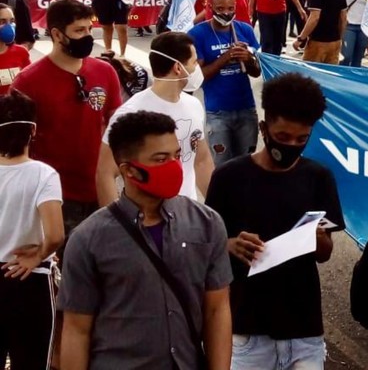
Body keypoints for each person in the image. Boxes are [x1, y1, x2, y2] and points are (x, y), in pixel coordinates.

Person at [58, 111, 233, 370]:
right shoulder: (88, 239)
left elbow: (217, 311)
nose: (174, 165)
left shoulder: (206, 224)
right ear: (129, 170)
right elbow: (76, 330)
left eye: (176, 155)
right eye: (161, 159)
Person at [205, 73, 343, 370]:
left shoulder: (319, 177)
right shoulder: (229, 177)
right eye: (283, 137)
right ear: (263, 129)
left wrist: (319, 239)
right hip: (245, 329)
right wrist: (229, 244)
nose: (292, 145)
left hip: (304, 329)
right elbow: (206, 247)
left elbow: (325, 253)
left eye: (301, 139)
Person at [12, 0, 122, 240]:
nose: (87, 37)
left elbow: (117, 125)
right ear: (57, 34)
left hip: (101, 187)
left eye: (89, 30)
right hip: (55, 194)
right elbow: (17, 146)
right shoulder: (28, 81)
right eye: (79, 31)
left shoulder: (105, 72)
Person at [95, 32, 213, 206]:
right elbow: (105, 173)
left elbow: (201, 161)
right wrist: (118, 226)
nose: (198, 69)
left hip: (186, 214)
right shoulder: (131, 113)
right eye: (194, 62)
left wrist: (219, 208)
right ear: (178, 68)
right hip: (146, 219)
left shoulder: (193, 105)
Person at [0, 90, 65, 370]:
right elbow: (54, 235)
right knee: (32, 361)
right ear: (33, 131)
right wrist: (37, 255)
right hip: (29, 279)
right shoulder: (43, 174)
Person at [189, 0, 261, 168]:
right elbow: (198, 78)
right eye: (220, 9)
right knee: (222, 167)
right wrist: (225, 58)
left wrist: (249, 58)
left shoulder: (245, 29)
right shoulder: (198, 34)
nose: (226, 13)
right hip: (217, 113)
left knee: (247, 164)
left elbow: (257, 72)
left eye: (231, 9)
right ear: (210, 7)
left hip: (246, 109)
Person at [294, 0, 347, 64]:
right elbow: (343, 18)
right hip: (334, 41)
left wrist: (301, 38)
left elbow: (314, 17)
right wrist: (339, 37)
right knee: (329, 75)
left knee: (311, 75)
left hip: (318, 40)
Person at [0, 4, 31, 95]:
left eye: (12, 21)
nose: (9, 26)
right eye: (2, 21)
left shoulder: (21, 52)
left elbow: (31, 83)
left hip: (16, 107)